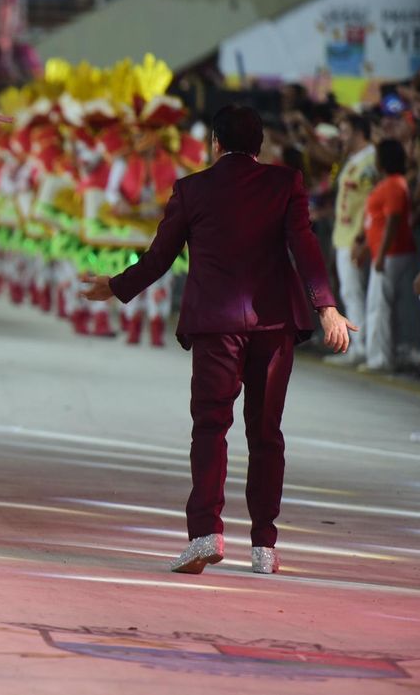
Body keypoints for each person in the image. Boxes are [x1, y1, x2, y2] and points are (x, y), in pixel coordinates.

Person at [81, 104, 355, 576]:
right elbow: (305, 246)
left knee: (211, 428)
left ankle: (205, 535)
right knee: (266, 434)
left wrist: (116, 286)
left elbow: (160, 257)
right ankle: (264, 547)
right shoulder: (285, 182)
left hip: (215, 328)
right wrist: (326, 306)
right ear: (260, 145)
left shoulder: (191, 189)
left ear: (214, 143)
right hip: (274, 328)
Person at [356, 139, 419, 373]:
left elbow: (393, 220)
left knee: (379, 306)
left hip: (391, 253)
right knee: (380, 305)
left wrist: (381, 254)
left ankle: (380, 359)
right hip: (386, 252)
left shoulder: (394, 184)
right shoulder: (391, 183)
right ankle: (383, 356)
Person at [325, 113, 377, 366]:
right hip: (343, 235)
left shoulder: (371, 160)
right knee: (349, 292)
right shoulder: (351, 159)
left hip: (356, 237)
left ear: (358, 131)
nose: (341, 136)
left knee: (356, 293)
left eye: (345, 131)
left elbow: (371, 202)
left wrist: (361, 237)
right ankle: (360, 347)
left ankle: (363, 348)